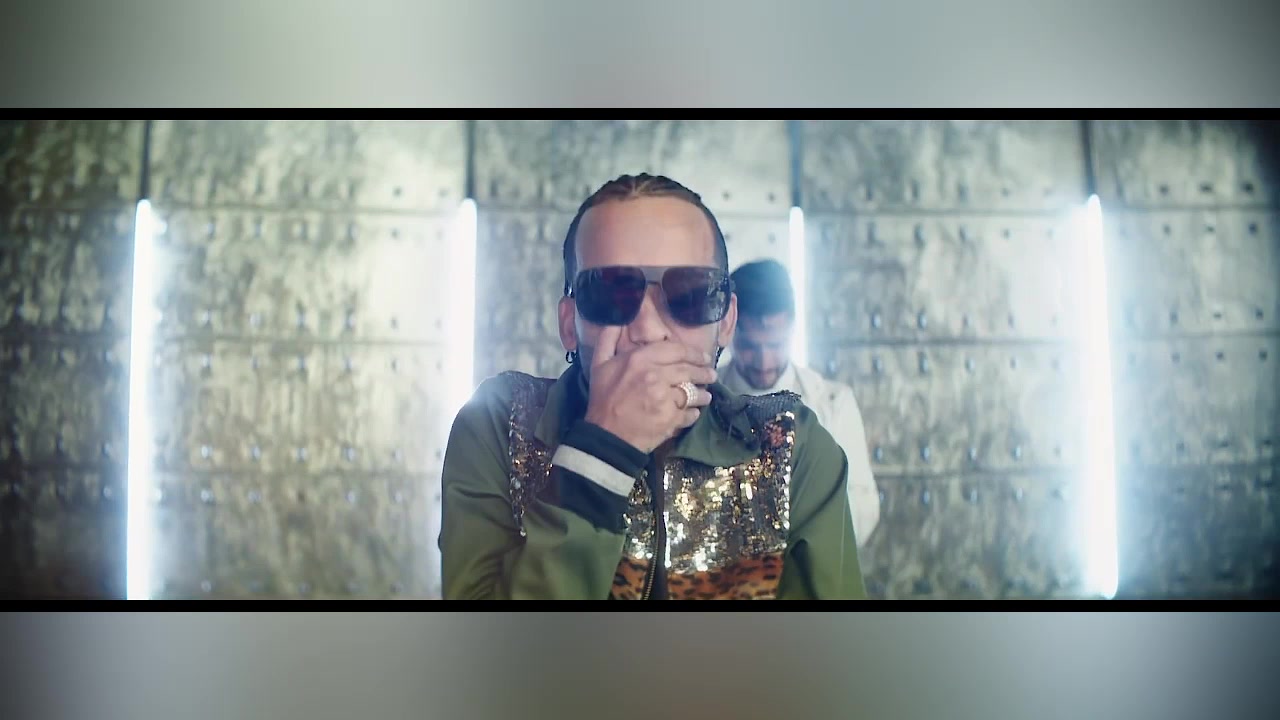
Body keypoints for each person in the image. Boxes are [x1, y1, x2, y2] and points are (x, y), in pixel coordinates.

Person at [439, 173, 866, 600]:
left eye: (690, 295)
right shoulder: (499, 425)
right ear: (569, 324)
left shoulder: (791, 447)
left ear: (726, 320)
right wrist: (600, 453)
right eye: (610, 295)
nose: (647, 330)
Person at [720, 259, 881, 547]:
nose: (764, 362)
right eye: (749, 346)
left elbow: (864, 513)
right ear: (727, 329)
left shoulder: (833, 404)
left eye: (776, 345)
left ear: (793, 328)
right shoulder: (702, 399)